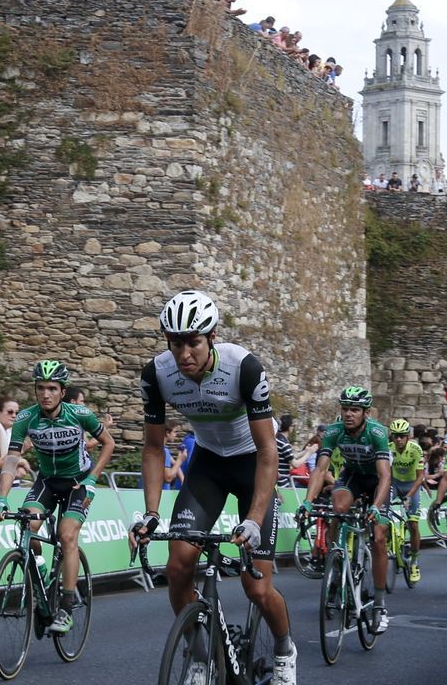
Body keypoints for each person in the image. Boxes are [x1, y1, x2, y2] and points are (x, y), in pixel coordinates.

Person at [129, 291, 296, 684]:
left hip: (252, 461)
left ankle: (285, 649)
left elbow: (268, 450)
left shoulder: (243, 368)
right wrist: (152, 513)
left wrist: (254, 518)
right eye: (175, 343)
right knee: (177, 565)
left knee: (257, 587)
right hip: (208, 464)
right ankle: (202, 657)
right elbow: (154, 448)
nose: (184, 353)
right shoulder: (157, 374)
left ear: (212, 337)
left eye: (194, 342)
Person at [0, 361, 117, 634]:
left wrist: (92, 478)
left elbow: (109, 443)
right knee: (27, 525)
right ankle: (41, 577)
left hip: (77, 483)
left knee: (67, 535)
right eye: (40, 388)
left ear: (62, 391)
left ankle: (66, 608)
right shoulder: (26, 418)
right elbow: (12, 460)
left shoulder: (80, 414)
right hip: (47, 482)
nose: (45, 394)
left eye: (52, 388)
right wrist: (1, 498)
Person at [297, 387, 392, 633]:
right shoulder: (334, 432)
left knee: (380, 537)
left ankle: (380, 606)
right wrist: (308, 501)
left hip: (376, 481)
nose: (348, 414)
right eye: (345, 409)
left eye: (355, 410)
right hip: (352, 476)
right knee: (337, 509)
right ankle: (338, 563)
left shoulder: (377, 433)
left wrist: (376, 507)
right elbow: (320, 469)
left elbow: (385, 476)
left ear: (365, 413)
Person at [388, 418, 425, 583]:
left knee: (414, 524)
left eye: (402, 436)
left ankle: (415, 561)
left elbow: (420, 477)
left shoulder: (416, 449)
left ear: (408, 437)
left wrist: (409, 495)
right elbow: (385, 474)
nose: (398, 440)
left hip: (412, 485)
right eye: (395, 436)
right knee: (381, 512)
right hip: (394, 483)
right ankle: (389, 539)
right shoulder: (389, 449)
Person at [274, 414, 295, 488]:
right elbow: (295, 464)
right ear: (289, 427)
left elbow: (289, 456)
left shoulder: (277, 439)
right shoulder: (284, 444)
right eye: (293, 425)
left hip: (276, 480)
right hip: (282, 482)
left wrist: (305, 451)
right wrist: (309, 453)